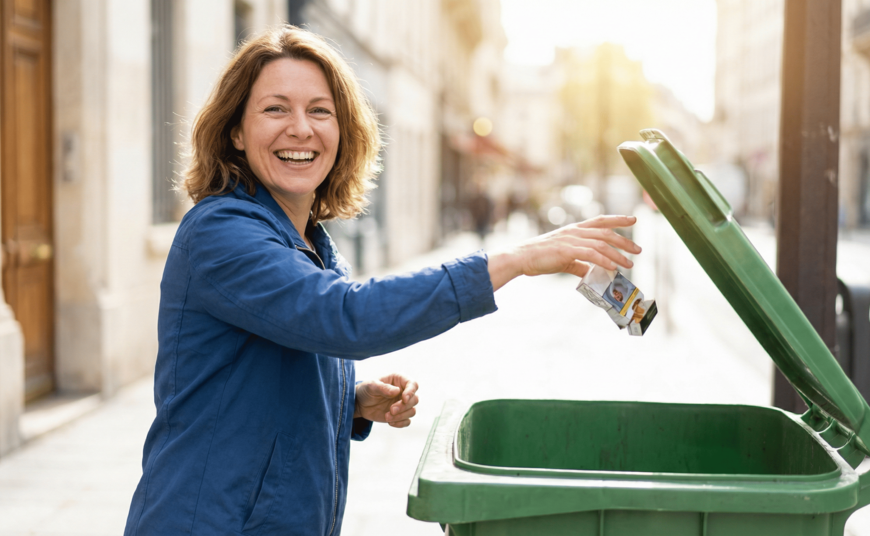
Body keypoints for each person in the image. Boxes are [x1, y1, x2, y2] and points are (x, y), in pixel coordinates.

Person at [124, 25, 639, 536]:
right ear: (236, 131)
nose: (300, 129)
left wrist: (347, 399)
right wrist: (516, 259)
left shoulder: (309, 240)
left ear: (343, 131)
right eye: (275, 108)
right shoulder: (221, 232)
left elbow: (260, 369)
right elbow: (343, 317)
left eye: (319, 110)